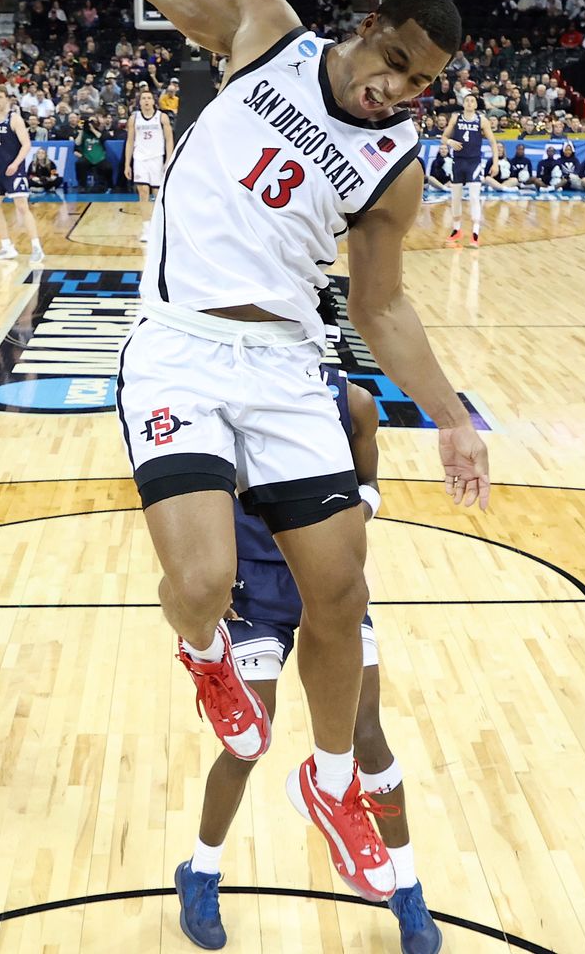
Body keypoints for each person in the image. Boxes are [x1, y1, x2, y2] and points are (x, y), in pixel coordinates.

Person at [126, 0, 490, 910]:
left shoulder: (396, 165)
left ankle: (332, 787)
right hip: (179, 347)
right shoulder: (268, 32)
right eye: (393, 64)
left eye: (417, 85)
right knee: (199, 582)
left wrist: (455, 420)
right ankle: (208, 659)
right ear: (368, 28)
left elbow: (382, 309)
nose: (396, 92)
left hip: (287, 366)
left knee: (341, 595)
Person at [174, 361, 440, 953]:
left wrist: (343, 525)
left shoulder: (355, 404)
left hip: (326, 584)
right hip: (253, 589)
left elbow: (369, 484)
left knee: (366, 730)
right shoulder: (223, 393)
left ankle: (407, 885)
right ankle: (200, 870)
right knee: (248, 739)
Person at [0, 89, 45, 262]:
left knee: (22, 207)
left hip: (14, 169)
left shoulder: (15, 119)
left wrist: (15, 164)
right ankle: (6, 247)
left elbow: (26, 145)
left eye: (0, 97)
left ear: (7, 100)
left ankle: (36, 248)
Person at [439, 90, 496, 246]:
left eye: (472, 101)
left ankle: (475, 232)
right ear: (463, 104)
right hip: (458, 161)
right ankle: (457, 229)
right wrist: (450, 143)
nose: (470, 103)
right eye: (467, 101)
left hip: (474, 162)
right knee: (455, 197)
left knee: (473, 197)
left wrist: (495, 162)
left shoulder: (482, 120)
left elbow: (493, 142)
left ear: (476, 104)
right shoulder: (456, 118)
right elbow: (444, 137)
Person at [125, 87, 174, 212]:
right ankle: (145, 223)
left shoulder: (162, 117)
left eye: (149, 98)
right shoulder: (134, 119)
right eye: (143, 98)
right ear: (139, 102)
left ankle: (157, 222)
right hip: (140, 158)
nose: (146, 101)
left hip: (156, 158)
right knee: (143, 191)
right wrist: (127, 165)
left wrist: (168, 160)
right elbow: (130, 142)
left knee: (157, 192)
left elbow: (169, 140)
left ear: (153, 101)